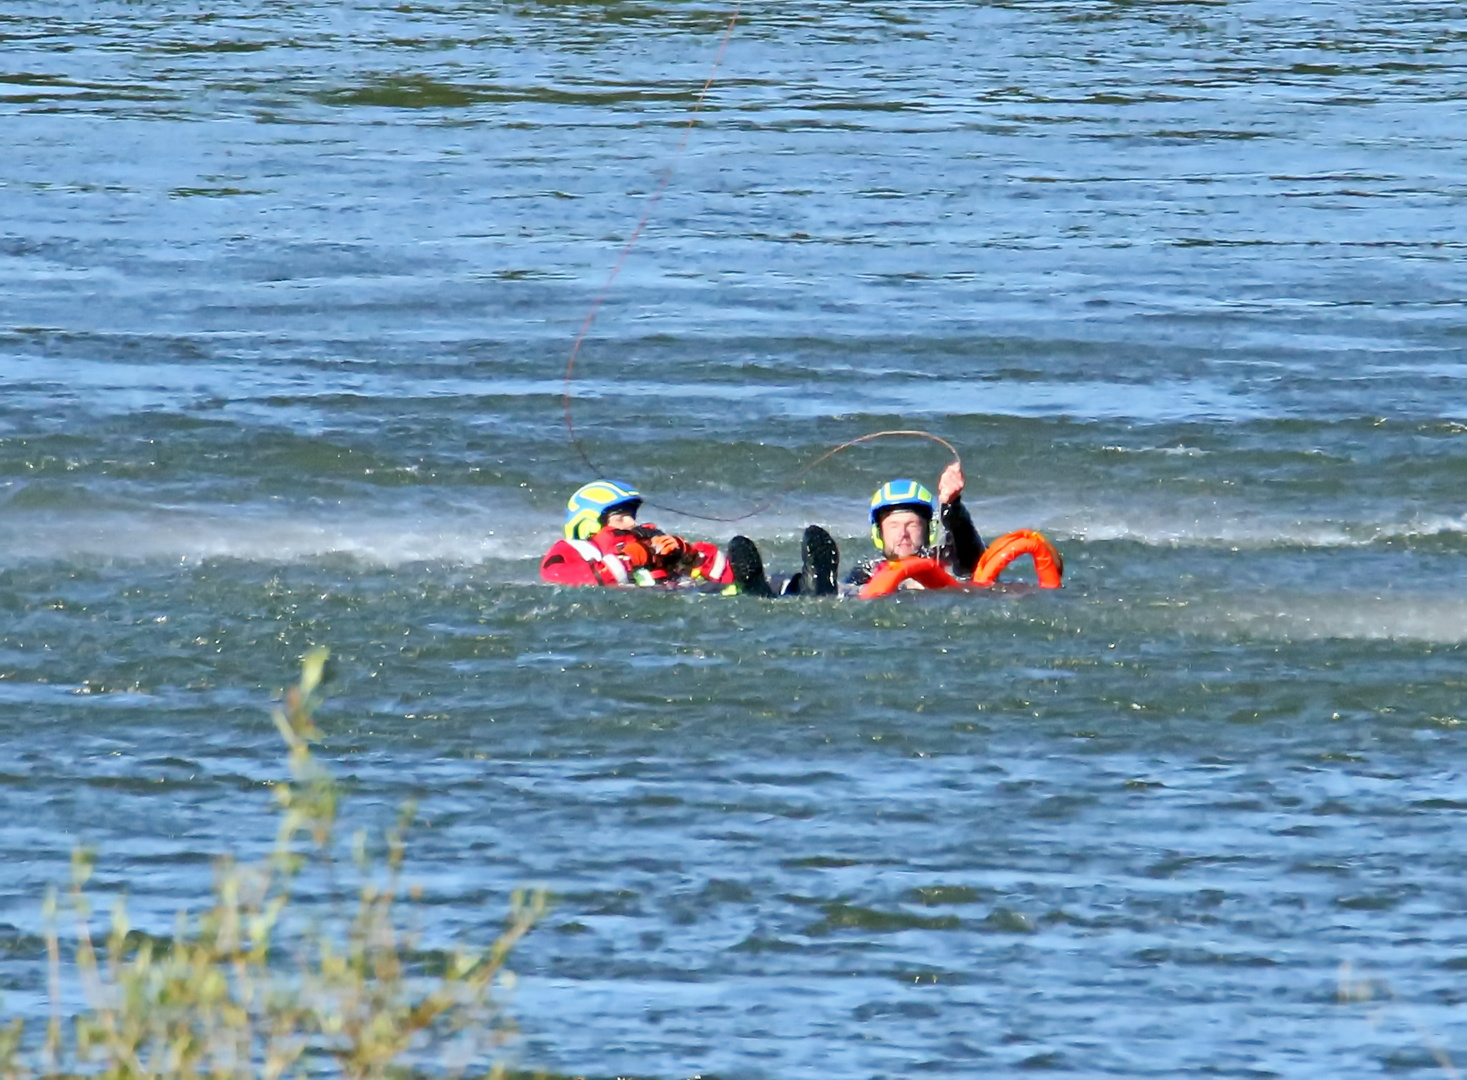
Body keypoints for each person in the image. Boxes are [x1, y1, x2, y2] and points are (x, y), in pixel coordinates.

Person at [539, 479, 735, 588]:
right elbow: (557, 577)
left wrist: (688, 555)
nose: (632, 522)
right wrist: (629, 559)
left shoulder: (645, 538)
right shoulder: (572, 550)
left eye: (632, 516)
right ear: (588, 525)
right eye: (620, 518)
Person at [846, 462, 983, 587]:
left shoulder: (947, 559)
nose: (903, 534)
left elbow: (970, 551)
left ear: (929, 530)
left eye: (912, 525)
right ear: (879, 534)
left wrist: (953, 505)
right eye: (893, 526)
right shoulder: (866, 573)